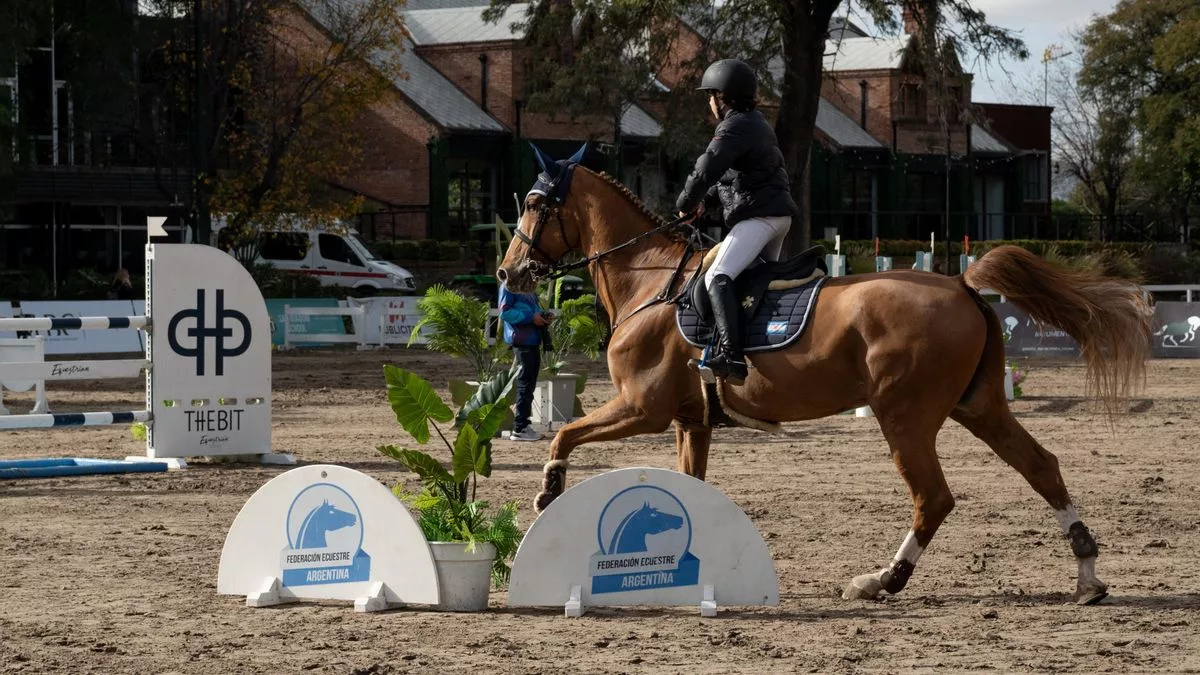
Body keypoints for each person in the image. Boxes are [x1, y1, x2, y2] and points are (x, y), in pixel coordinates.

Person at [676, 58, 798, 386]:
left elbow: (706, 168)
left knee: (718, 275)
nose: (708, 102)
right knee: (749, 283)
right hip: (774, 216)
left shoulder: (733, 127)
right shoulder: (754, 122)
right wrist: (705, 203)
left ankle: (732, 357)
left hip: (761, 219)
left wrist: (685, 202)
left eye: (710, 95)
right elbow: (730, 178)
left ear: (722, 97)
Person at [499, 281, 553, 441]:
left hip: (533, 340)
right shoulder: (509, 285)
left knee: (529, 384)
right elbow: (505, 312)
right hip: (522, 340)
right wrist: (531, 317)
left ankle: (523, 424)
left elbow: (533, 310)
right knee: (525, 383)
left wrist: (543, 316)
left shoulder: (528, 288)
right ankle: (520, 427)